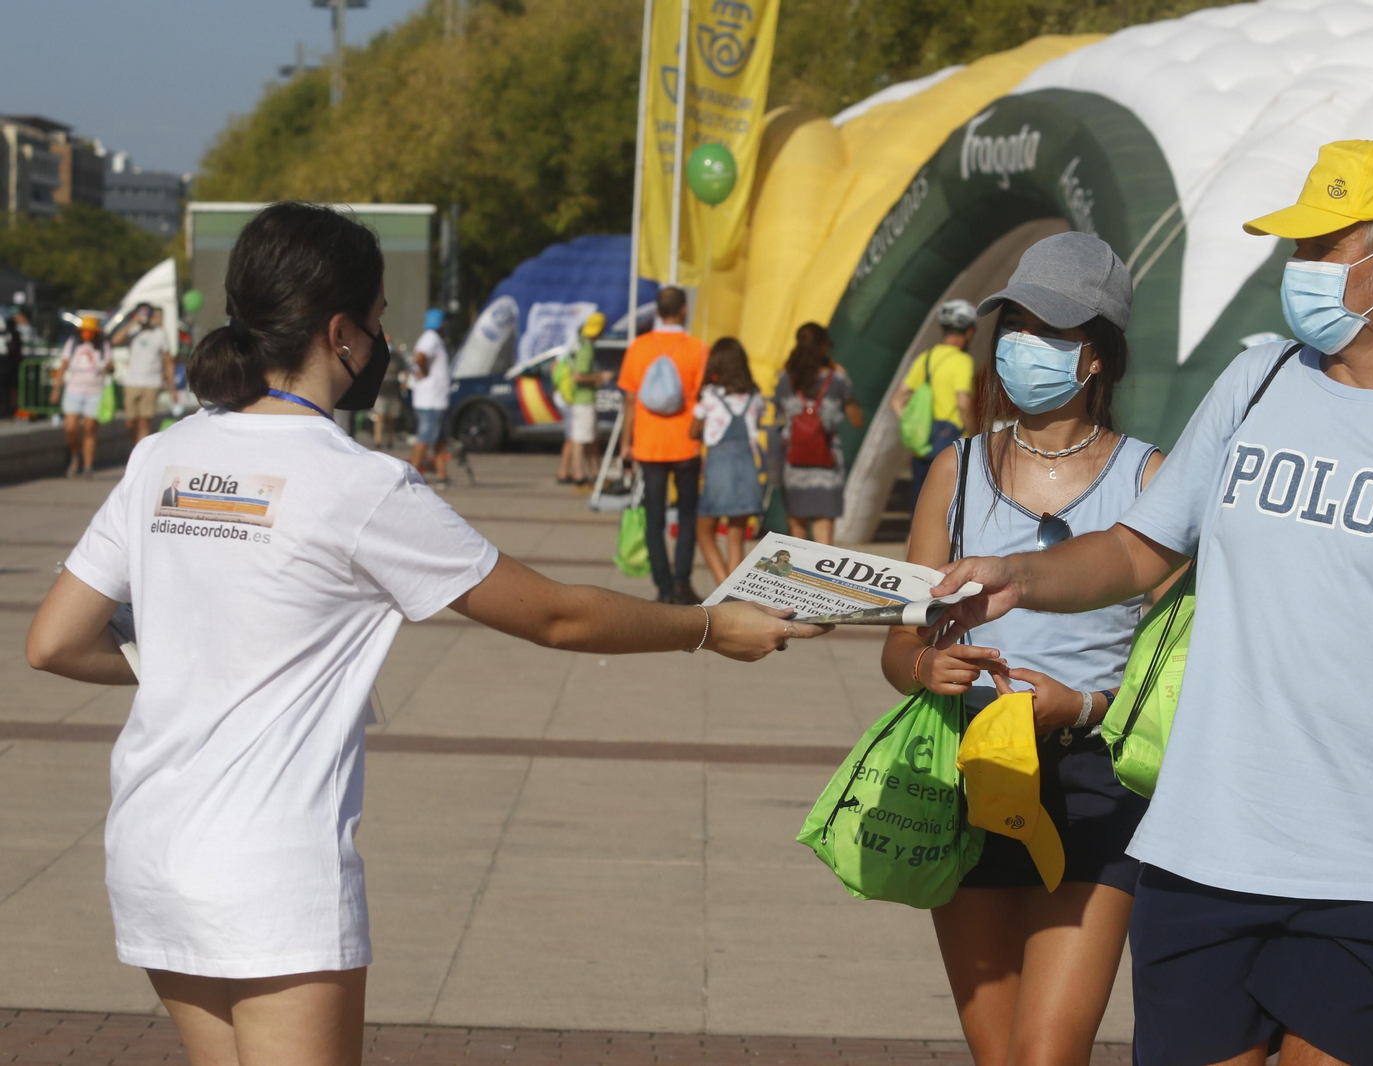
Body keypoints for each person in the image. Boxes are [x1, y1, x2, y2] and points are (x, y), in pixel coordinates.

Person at [24, 201, 825, 1066]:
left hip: (151, 845)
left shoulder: (161, 457)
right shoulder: (359, 485)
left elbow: (55, 641)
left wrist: (192, 660)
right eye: (377, 322)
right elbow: (557, 615)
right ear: (340, 333)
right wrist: (709, 625)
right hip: (268, 868)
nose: (382, 341)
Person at [932, 141, 1373, 1066]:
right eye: (1298, 247)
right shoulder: (1258, 381)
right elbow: (1136, 547)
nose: (1299, 270)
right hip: (1202, 855)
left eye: (1322, 247)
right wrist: (1021, 576)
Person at [882, 232, 1167, 1066]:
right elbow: (901, 647)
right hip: (969, 769)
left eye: (1052, 329)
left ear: (1097, 359)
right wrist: (924, 666)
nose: (1021, 346)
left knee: (1048, 1055)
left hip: (1095, 780)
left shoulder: (1152, 479)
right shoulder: (955, 471)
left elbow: (1180, 669)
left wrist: (1085, 706)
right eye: (1015, 323)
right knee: (1000, 1057)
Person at [618, 287, 708, 603]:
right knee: (686, 515)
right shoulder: (697, 348)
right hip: (686, 444)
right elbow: (704, 400)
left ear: (657, 310)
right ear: (683, 310)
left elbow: (630, 401)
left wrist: (625, 444)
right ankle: (683, 582)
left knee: (653, 517)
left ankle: (664, 587)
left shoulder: (638, 347)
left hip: (649, 444)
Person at [774, 323, 864, 546]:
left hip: (794, 463)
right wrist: (843, 377)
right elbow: (857, 421)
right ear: (824, 347)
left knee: (797, 532)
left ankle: (795, 579)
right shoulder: (838, 380)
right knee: (823, 537)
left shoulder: (785, 379)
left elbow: (781, 416)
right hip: (827, 465)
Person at [691, 337, 766, 586]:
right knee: (736, 537)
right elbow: (757, 424)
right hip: (746, 466)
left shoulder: (711, 396)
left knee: (704, 532)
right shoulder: (754, 396)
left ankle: (724, 587)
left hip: (719, 466)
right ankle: (734, 592)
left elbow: (693, 431)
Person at [892, 298, 977, 507]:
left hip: (923, 444)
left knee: (921, 509)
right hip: (951, 443)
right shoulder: (962, 361)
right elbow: (963, 403)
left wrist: (914, 427)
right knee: (948, 509)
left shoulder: (925, 358)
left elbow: (896, 399)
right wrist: (975, 433)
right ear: (969, 331)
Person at [52, 314, 112, 477]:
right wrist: (56, 388)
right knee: (70, 428)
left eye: (90, 331)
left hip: (94, 392)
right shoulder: (73, 344)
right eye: (85, 331)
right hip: (74, 390)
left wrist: (109, 367)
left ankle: (87, 465)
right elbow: (63, 366)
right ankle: (75, 456)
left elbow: (110, 364)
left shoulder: (103, 346)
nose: (87, 334)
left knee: (89, 429)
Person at [558, 311, 610, 485]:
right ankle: (579, 475)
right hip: (583, 400)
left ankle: (595, 473)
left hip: (580, 399)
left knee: (590, 438)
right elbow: (578, 376)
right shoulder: (586, 347)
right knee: (580, 439)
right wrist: (599, 377)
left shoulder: (580, 342)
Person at [111, 305, 176, 443]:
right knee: (130, 422)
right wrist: (133, 321)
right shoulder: (133, 331)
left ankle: (140, 453)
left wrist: (173, 388)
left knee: (144, 421)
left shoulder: (160, 333)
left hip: (152, 383)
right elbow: (115, 340)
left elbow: (168, 361)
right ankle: (135, 447)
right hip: (132, 382)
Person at [408, 308, 452, 485]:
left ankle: (443, 476)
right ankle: (413, 475)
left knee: (440, 440)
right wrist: (425, 372)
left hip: (435, 400)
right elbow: (420, 357)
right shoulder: (431, 338)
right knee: (424, 438)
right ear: (440, 323)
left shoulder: (431, 338)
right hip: (431, 401)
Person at [370, 334, 404, 450]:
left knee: (391, 418)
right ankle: (378, 440)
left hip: (393, 392)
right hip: (380, 392)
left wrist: (404, 383)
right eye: (386, 341)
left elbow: (404, 371)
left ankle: (390, 439)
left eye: (389, 341)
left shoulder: (397, 358)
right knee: (380, 416)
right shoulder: (377, 356)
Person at [0, 314, 22, 419]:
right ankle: (6, 409)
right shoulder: (8, 335)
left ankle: (10, 409)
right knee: (5, 389)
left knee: (11, 389)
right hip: (7, 365)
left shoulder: (14, 335)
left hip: (10, 366)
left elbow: (13, 349)